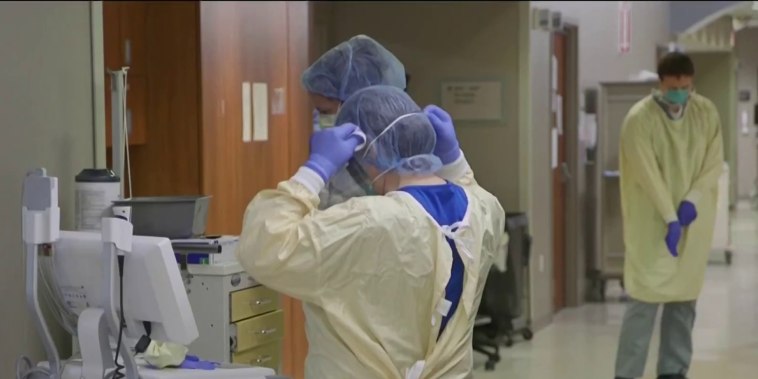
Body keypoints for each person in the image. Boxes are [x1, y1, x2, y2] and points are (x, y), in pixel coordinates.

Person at [237, 85, 506, 379]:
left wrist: (314, 170)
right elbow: (469, 188)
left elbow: (266, 247)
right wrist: (455, 160)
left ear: (372, 150)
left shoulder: (367, 222)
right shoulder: (484, 210)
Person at [614, 52, 724, 379]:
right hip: (651, 224)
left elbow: (712, 162)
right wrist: (669, 216)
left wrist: (690, 202)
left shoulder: (705, 112)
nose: (680, 92)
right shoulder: (639, 119)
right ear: (661, 83)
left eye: (685, 86)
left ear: (692, 83)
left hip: (693, 222)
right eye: (674, 86)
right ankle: (627, 373)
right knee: (643, 304)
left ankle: (674, 371)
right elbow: (648, 175)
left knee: (683, 303)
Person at [302, 35, 406, 208]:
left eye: (325, 111)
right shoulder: (343, 156)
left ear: (354, 102)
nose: (318, 119)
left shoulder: (400, 153)